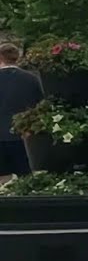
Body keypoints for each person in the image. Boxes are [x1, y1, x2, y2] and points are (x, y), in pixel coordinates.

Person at [0, 43, 44, 181]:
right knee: (25, 176)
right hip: (25, 135)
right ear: (17, 57)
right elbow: (41, 106)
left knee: (3, 178)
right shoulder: (31, 79)